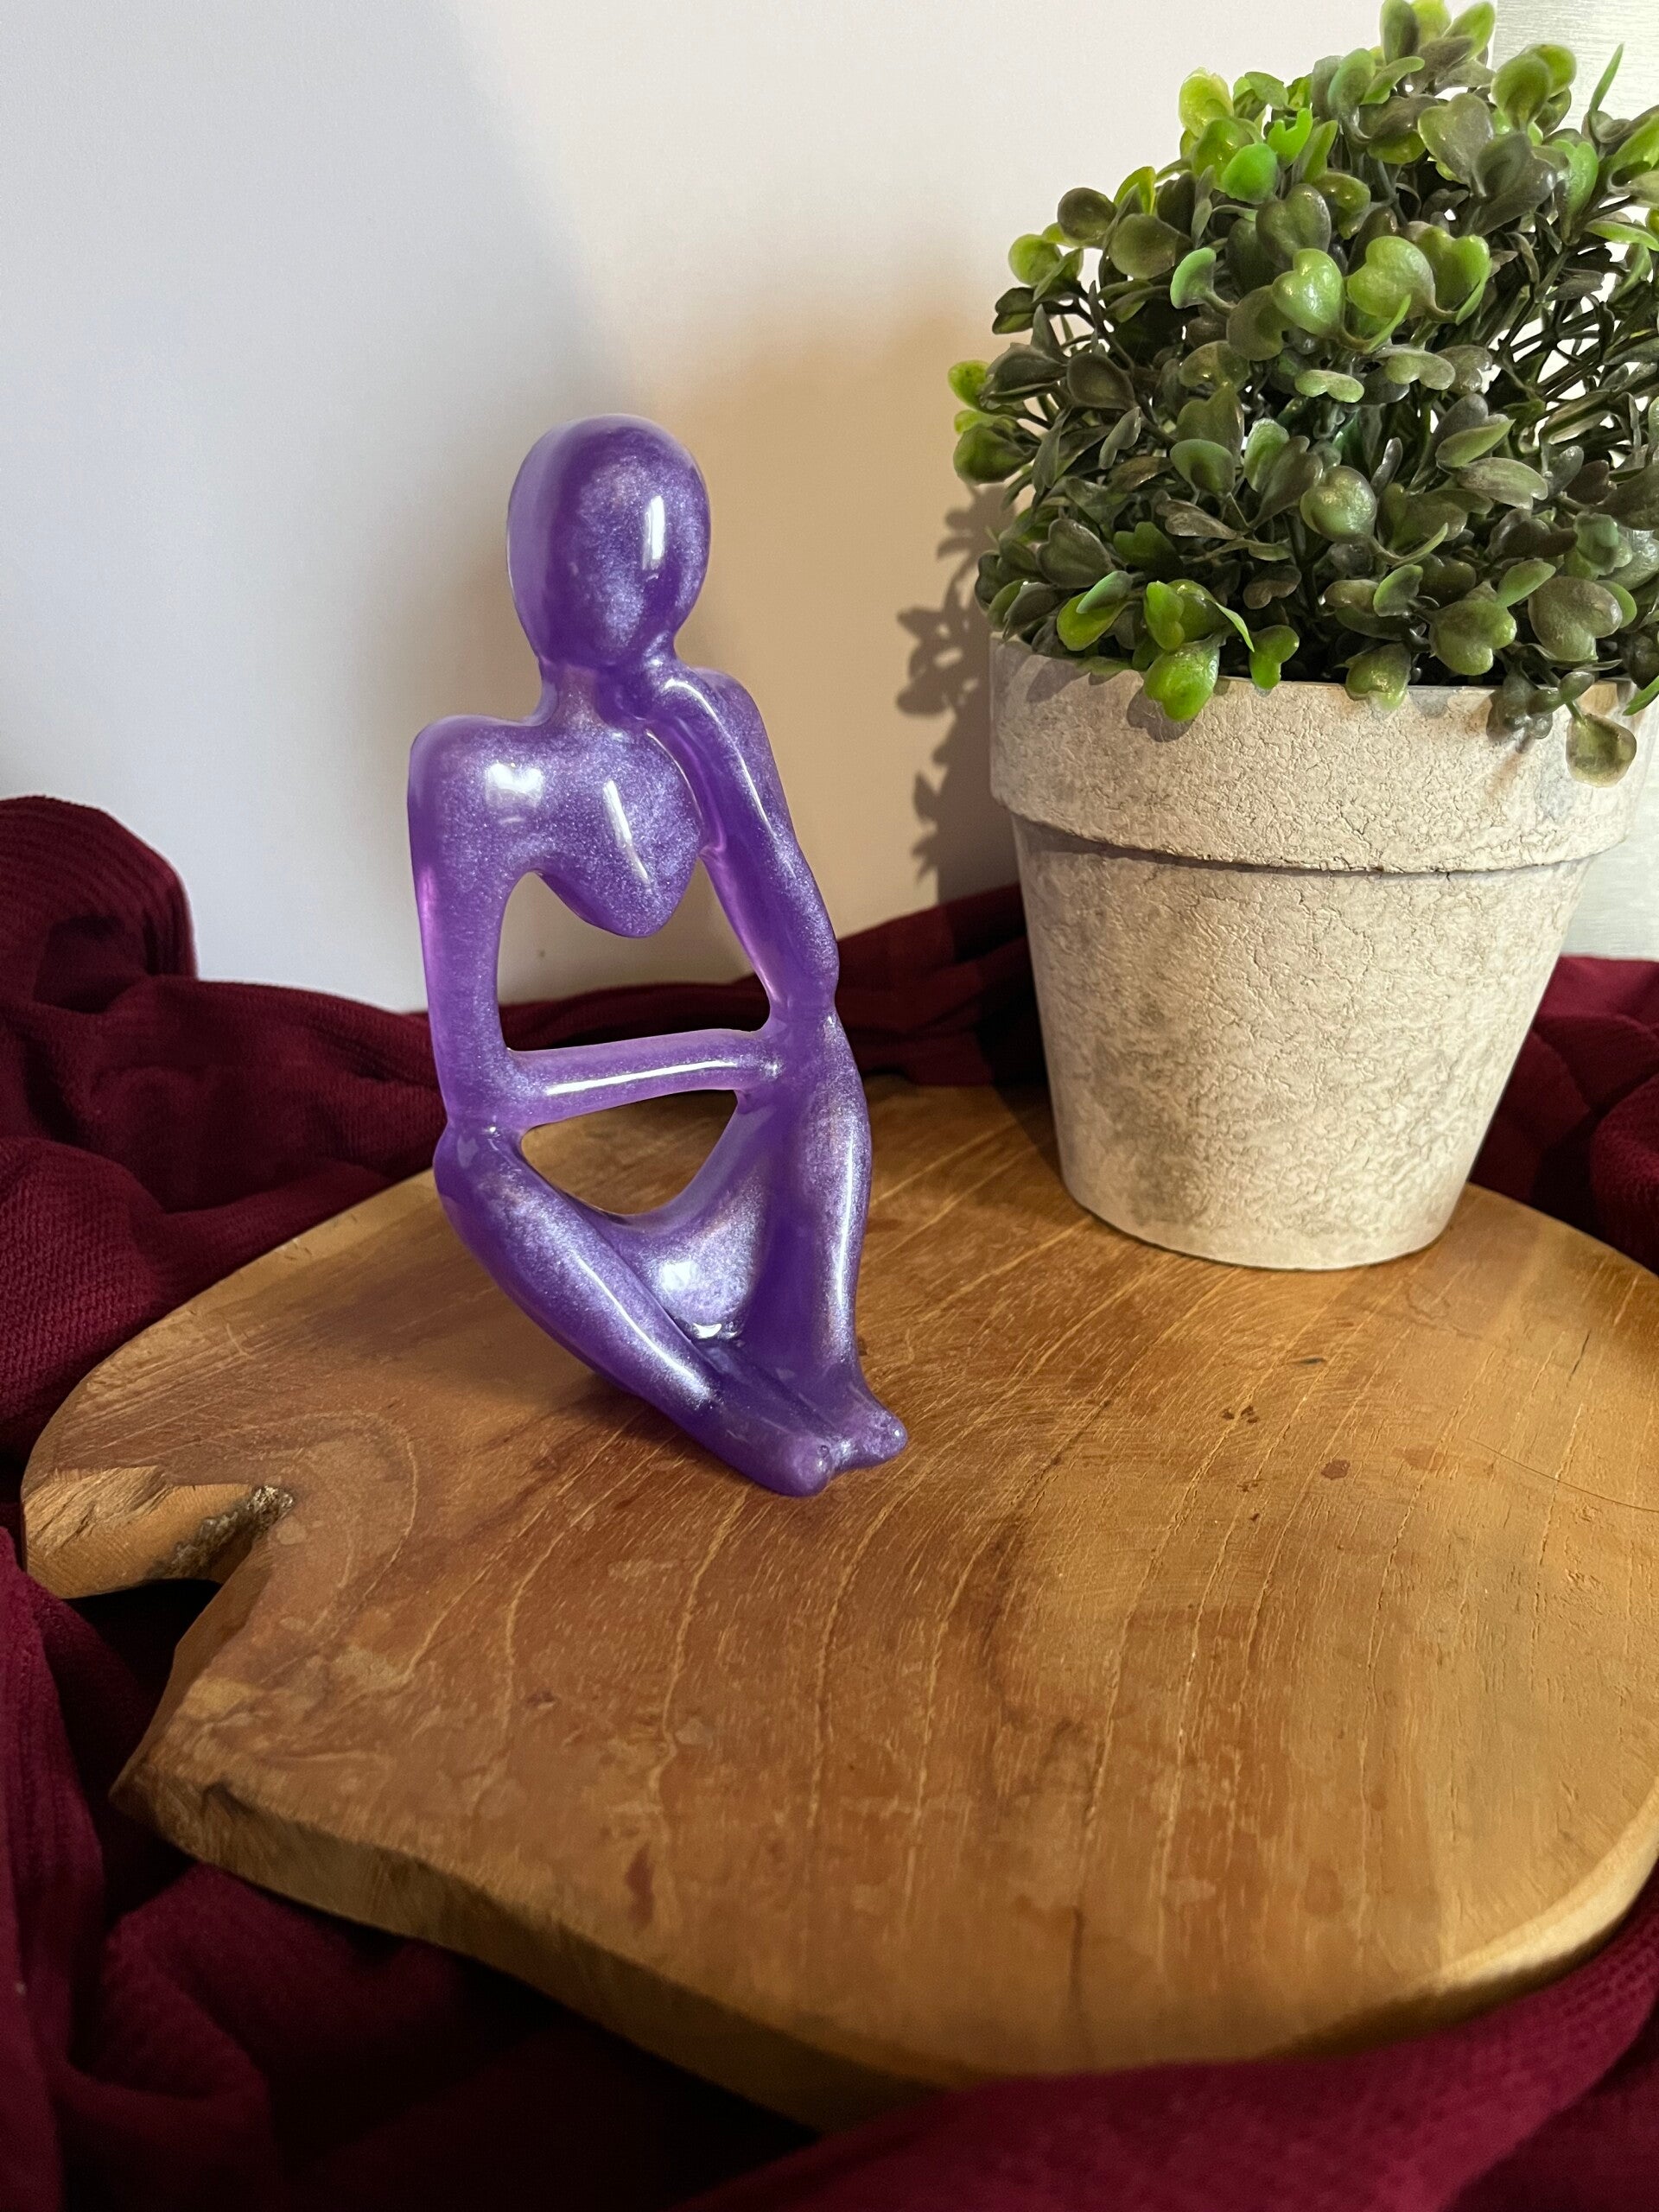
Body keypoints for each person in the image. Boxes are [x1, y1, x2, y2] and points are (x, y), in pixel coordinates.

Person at [408, 416, 906, 1496]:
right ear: (535, 573)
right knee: (471, 1168)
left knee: (824, 1053)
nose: (650, 591)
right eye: (613, 556)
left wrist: (723, 766)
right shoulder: (478, 775)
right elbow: (485, 1092)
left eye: (673, 559)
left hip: (727, 1226)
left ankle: (819, 1359)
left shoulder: (711, 719)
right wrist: (727, 1056)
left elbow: (810, 985)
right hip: (595, 1261)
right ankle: (715, 1402)